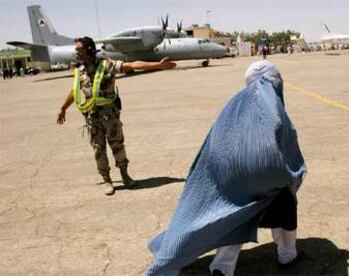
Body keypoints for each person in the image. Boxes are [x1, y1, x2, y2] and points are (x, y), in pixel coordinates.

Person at [145, 60, 306, 276]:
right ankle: (287, 255)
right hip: (269, 178)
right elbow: (281, 142)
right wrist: (289, 175)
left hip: (233, 179)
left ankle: (222, 267)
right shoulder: (273, 104)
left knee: (230, 218)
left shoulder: (234, 106)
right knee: (285, 205)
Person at [57, 36, 176, 195]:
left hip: (110, 115)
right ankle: (107, 180)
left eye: (79, 49)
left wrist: (159, 65)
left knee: (117, 145)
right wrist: (64, 108)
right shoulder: (80, 71)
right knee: (98, 149)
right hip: (92, 117)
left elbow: (133, 65)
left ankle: (125, 175)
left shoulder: (107, 65)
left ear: (89, 49)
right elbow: (74, 91)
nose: (76, 52)